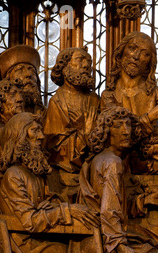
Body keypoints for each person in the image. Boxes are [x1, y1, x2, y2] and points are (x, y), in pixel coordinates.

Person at [0, 113, 99, 253]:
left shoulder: (35, 173)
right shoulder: (13, 175)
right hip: (24, 248)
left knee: (85, 249)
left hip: (40, 239)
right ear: (19, 137)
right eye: (35, 131)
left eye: (41, 131)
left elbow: (46, 205)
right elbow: (30, 221)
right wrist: (68, 211)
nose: (42, 137)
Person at [78, 107, 158, 253]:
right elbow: (108, 211)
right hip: (103, 244)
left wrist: (144, 200)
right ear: (105, 131)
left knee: (154, 244)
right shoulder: (113, 163)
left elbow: (111, 202)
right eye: (118, 126)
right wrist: (120, 246)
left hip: (99, 239)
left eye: (128, 124)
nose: (126, 130)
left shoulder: (104, 159)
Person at [42, 47, 100, 202]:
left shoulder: (95, 100)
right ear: (65, 67)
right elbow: (51, 147)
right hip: (64, 170)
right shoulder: (57, 101)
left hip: (93, 166)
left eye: (88, 61)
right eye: (80, 60)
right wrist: (83, 134)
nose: (86, 65)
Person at [0, 79, 25, 213]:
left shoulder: (25, 132)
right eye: (12, 95)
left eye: (20, 95)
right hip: (5, 193)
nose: (19, 99)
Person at [0, 45, 45, 115]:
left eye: (32, 70)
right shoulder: (0, 115)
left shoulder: (47, 113)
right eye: (20, 70)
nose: (28, 74)